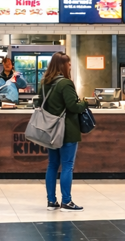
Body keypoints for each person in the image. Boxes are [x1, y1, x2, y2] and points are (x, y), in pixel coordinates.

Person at [35, 52, 88, 212]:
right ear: (63, 65)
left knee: (52, 165)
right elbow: (73, 106)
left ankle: (51, 201)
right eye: (69, 64)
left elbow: (39, 103)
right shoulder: (65, 83)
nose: (70, 66)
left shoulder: (44, 82)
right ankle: (67, 201)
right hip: (67, 130)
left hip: (50, 130)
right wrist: (85, 103)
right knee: (67, 166)